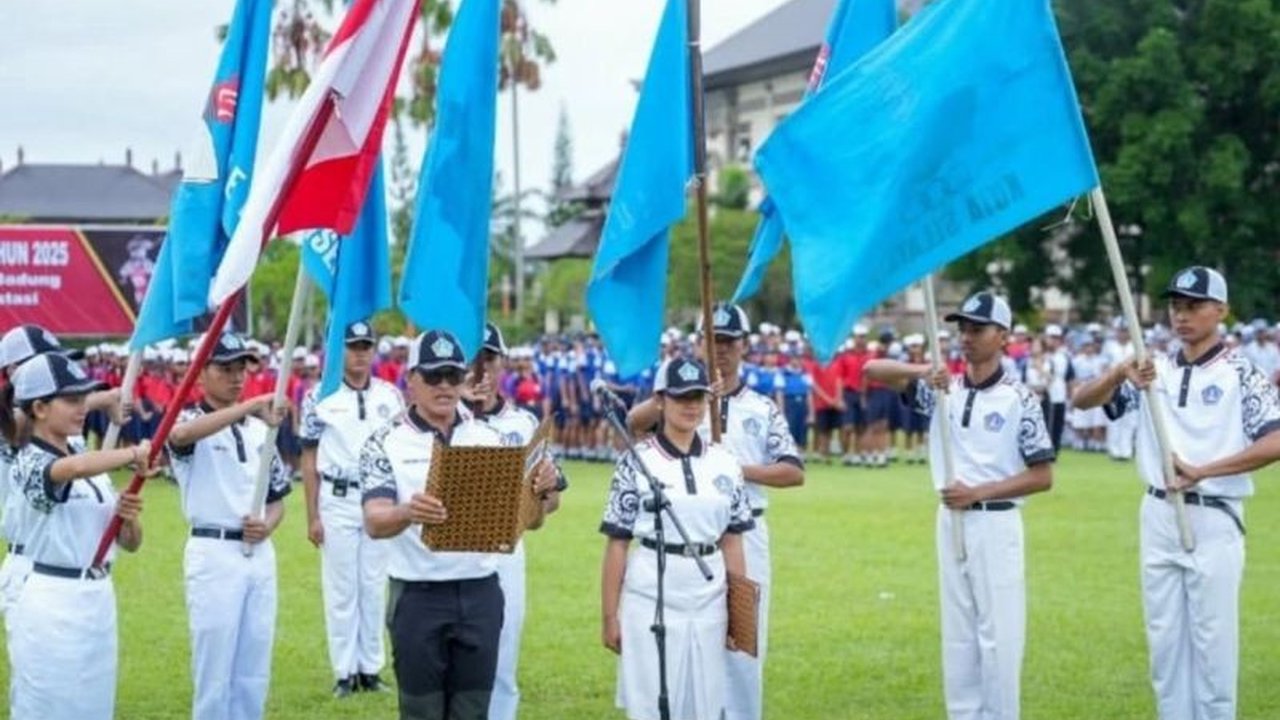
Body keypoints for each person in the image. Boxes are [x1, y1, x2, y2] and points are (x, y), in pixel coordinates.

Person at [1072, 266, 1280, 719]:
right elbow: (1081, 402)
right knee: (1165, 642)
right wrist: (1118, 373)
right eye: (1175, 307)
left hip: (1214, 514)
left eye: (1193, 306)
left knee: (1213, 643)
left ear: (1221, 310)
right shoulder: (1153, 368)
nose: (1181, 316)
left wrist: (1204, 470)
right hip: (1159, 512)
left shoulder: (1241, 372)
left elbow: (1275, 440)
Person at [866, 291, 1055, 720]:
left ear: (1003, 336)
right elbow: (872, 370)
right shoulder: (943, 388)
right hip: (950, 519)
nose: (966, 337)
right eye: (962, 329)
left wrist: (980, 492)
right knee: (959, 633)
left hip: (995, 520)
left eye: (977, 329)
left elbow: (1043, 476)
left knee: (999, 635)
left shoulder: (1019, 398)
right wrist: (923, 369)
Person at [361, 330, 560, 720]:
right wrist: (408, 512)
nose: (445, 386)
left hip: (480, 592)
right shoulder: (384, 442)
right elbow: (374, 519)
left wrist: (542, 491)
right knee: (422, 712)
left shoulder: (494, 438)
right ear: (411, 379)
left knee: (472, 711)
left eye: (454, 375)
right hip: (418, 597)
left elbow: (534, 519)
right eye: (434, 376)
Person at [627, 302, 804, 720]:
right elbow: (634, 422)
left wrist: (732, 470)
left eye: (729, 342)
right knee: (687, 640)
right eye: (712, 341)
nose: (720, 350)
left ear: (745, 346)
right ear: (697, 344)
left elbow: (793, 471)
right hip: (686, 537)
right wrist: (682, 394)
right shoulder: (679, 402)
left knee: (742, 638)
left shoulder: (761, 407)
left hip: (746, 534)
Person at [601, 357, 753, 720]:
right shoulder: (636, 461)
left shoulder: (725, 462)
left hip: (709, 596)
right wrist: (609, 616)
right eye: (681, 396)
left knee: (706, 699)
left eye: (698, 397)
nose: (690, 405)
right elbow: (618, 543)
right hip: (650, 593)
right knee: (650, 700)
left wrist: (740, 613)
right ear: (660, 401)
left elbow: (732, 540)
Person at [6, 352, 152, 720]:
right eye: (71, 399)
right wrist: (133, 453)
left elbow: (131, 543)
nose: (82, 407)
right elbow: (71, 469)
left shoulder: (86, 456)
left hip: (98, 595)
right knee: (49, 707)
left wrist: (129, 518)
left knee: (94, 706)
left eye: (84, 398)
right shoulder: (28, 459)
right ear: (39, 408)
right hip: (52, 599)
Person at [167, 332, 291, 720]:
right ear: (201, 373)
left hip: (257, 552)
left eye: (242, 369)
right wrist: (252, 405)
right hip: (213, 551)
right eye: (226, 368)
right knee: (214, 665)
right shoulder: (190, 418)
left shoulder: (259, 431)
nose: (237, 377)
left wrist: (267, 526)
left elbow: (277, 499)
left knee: (254, 663)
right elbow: (179, 436)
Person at [464, 323, 567, 720]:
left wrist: (545, 488)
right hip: (453, 550)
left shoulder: (523, 424)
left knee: (504, 653)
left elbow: (552, 497)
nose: (481, 369)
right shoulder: (445, 418)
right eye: (473, 359)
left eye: (489, 358)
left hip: (506, 549)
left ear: (503, 363)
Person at [299, 321, 405, 698]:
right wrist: (312, 515)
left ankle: (371, 669)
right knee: (342, 587)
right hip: (337, 497)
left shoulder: (391, 395)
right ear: (338, 350)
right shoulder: (319, 396)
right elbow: (309, 459)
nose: (360, 353)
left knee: (374, 585)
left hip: (377, 498)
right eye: (352, 346)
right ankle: (344, 670)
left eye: (366, 346)